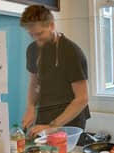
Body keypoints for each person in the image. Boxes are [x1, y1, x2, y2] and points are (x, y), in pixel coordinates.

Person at [20, 5, 90, 137]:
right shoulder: (32, 49)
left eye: (40, 33)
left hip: (70, 119)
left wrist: (54, 126)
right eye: (31, 34)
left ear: (51, 25)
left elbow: (82, 98)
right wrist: (30, 107)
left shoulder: (71, 52)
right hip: (44, 114)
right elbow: (34, 83)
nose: (36, 39)